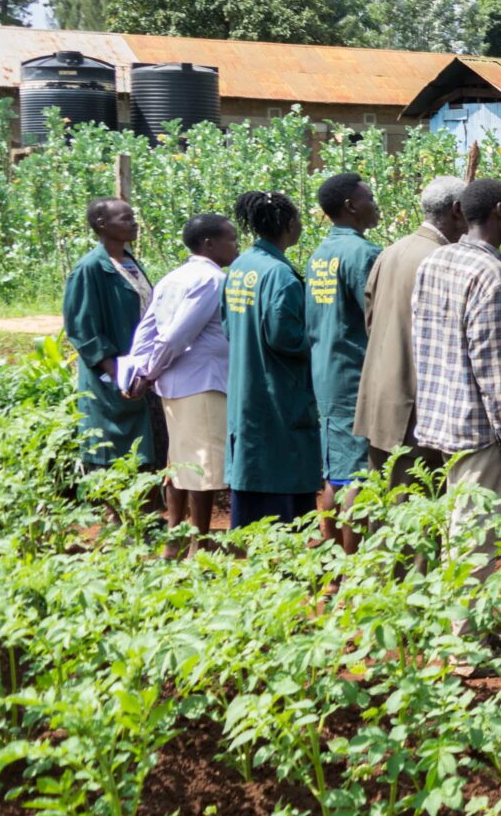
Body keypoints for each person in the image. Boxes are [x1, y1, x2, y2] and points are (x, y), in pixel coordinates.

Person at [410, 179, 501, 566]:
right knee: (474, 544)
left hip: (440, 424)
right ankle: (465, 627)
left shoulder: (436, 260)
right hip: (479, 433)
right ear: (499, 210)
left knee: (456, 530)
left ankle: (454, 620)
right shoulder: (489, 275)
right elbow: (495, 373)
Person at [123, 212, 241, 533]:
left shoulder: (172, 278)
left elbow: (146, 330)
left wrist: (139, 369)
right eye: (231, 239)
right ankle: (196, 542)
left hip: (175, 385)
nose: (237, 245)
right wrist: (146, 373)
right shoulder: (213, 281)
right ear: (209, 243)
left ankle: (175, 534)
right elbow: (176, 336)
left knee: (179, 462)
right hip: (203, 384)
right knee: (202, 467)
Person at [355, 176, 467, 488]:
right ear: (458, 210)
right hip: (415, 407)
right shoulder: (442, 259)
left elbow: (370, 321)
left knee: (384, 504)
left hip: (380, 401)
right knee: (415, 513)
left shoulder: (391, 251)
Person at [222, 191, 319, 528]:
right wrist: (320, 336)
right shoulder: (279, 275)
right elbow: (285, 336)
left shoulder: (241, 266)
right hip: (276, 393)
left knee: (249, 470)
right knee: (281, 474)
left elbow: (228, 326)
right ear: (290, 224)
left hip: (244, 389)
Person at [61, 197, 163, 479]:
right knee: (112, 447)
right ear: (102, 225)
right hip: (113, 373)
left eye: (133, 217)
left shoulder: (128, 261)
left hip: (139, 369)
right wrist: (116, 372)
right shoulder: (90, 268)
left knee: (145, 444)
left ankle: (144, 517)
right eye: (125, 218)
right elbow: (81, 328)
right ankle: (116, 517)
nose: (133, 223)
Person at [306, 171, 382, 540]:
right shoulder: (364, 255)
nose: (375, 203)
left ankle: (333, 560)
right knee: (359, 476)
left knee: (336, 472)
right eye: (369, 197)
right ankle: (355, 568)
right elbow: (377, 322)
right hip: (356, 377)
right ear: (351, 206)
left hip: (327, 375)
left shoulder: (321, 253)